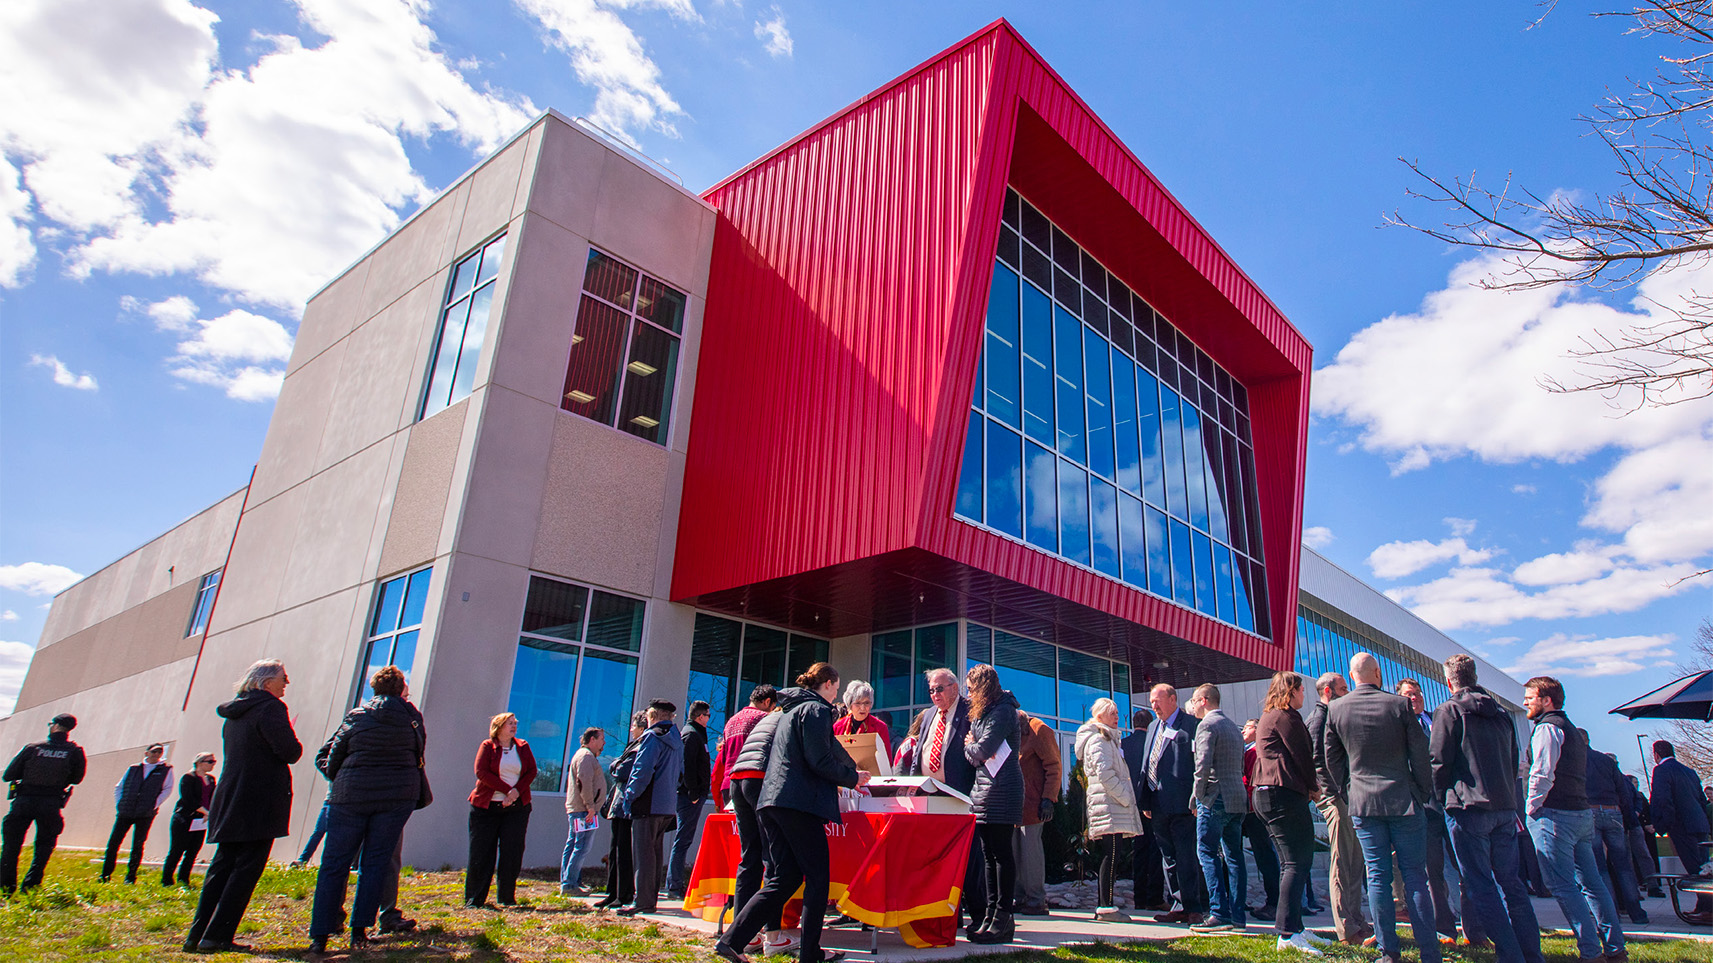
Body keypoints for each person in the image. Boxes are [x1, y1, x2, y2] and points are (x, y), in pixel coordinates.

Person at [714, 663, 869, 963]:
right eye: (836, 690)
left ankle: (732, 940)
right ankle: (811, 953)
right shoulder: (816, 711)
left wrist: (850, 767)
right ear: (827, 684)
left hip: (771, 802)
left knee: (783, 877)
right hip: (799, 804)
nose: (834, 697)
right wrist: (853, 778)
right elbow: (819, 759)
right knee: (817, 878)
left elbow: (823, 751)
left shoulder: (787, 711)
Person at [1324, 653, 1439, 963]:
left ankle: (1389, 952)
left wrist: (1348, 792)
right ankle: (1430, 952)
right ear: (1376, 672)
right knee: (1415, 877)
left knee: (1377, 878)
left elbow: (1331, 760)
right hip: (1403, 800)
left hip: (1364, 803)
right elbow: (1420, 753)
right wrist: (1420, 791)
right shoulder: (1399, 705)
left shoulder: (1335, 708)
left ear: (1352, 675)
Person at [184, 660, 303, 953]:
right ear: (265, 683)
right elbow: (290, 752)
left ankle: (197, 935)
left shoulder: (235, 713)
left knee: (222, 866)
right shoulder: (271, 708)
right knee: (247, 868)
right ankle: (219, 935)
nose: (287, 682)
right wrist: (290, 735)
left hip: (231, 795)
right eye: (282, 678)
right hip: (259, 798)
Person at [1429, 653, 1541, 963]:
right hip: (1504, 807)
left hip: (1468, 808)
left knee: (1481, 885)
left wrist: (1441, 798)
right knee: (1512, 885)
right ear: (1475, 677)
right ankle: (1532, 954)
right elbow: (1513, 758)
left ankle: (1510, 954)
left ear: (1449, 681)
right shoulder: (1502, 714)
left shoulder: (1448, 710)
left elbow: (1438, 761)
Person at [307, 665, 426, 953]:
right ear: (401, 690)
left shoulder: (357, 716)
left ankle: (320, 936)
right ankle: (359, 932)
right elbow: (419, 753)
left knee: (334, 865)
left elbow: (329, 755)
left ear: (374, 689)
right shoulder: (412, 718)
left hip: (350, 797)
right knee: (375, 864)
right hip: (395, 798)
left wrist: (341, 777)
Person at [1522, 676, 1625, 962]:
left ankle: (1590, 952)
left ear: (1546, 699)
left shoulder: (1547, 729)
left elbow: (1541, 774)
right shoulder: (1571, 731)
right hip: (1580, 815)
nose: (1525, 703)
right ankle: (1615, 949)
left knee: (1564, 886)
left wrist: (1531, 808)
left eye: (1530, 697)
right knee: (1592, 884)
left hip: (1555, 816)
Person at [901, 667, 985, 931]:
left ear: (955, 688)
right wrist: (913, 785)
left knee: (968, 860)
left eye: (939, 689)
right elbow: (919, 754)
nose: (934, 694)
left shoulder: (971, 711)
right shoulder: (927, 716)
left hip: (961, 796)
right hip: (930, 796)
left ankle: (980, 916)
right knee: (939, 860)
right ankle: (948, 914)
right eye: (931, 690)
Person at [1252, 672, 1325, 955]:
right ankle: (1286, 934)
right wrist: (1313, 787)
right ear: (1290, 691)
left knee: (1291, 864)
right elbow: (1303, 756)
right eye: (1300, 689)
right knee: (1296, 862)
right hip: (1282, 794)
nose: (1304, 694)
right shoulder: (1286, 716)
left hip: (1269, 795)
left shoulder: (1270, 716)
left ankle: (1296, 928)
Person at [1305, 672, 1370, 945]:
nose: (1348, 692)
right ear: (1329, 692)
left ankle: (1356, 920)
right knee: (1343, 862)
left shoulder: (1333, 716)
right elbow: (1316, 760)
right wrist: (1333, 795)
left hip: (1345, 796)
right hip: (1336, 798)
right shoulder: (1320, 718)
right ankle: (1347, 928)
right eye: (1344, 689)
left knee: (1355, 861)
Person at [725, 693, 793, 956]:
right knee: (772, 861)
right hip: (761, 781)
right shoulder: (780, 719)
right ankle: (772, 935)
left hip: (736, 782)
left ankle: (744, 934)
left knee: (749, 858)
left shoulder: (736, 720)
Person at [961, 664, 1023, 944]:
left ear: (983, 687)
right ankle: (989, 915)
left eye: (971, 689)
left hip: (1003, 790)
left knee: (1001, 855)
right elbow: (980, 754)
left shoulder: (1003, 711)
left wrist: (969, 746)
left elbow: (982, 750)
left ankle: (1003, 918)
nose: (969, 694)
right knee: (988, 857)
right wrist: (974, 749)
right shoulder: (983, 714)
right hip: (984, 790)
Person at [1138, 683, 1206, 925]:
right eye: (1151, 701)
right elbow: (1149, 763)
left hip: (1183, 804)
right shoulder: (1154, 726)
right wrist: (1145, 798)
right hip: (1157, 803)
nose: (1153, 705)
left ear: (1173, 699)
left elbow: (1199, 765)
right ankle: (1177, 904)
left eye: (1158, 700)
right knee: (1168, 858)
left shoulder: (1191, 725)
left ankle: (1194, 906)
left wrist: (1197, 797)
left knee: (1186, 855)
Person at [1395, 679, 1457, 941]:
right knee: (1433, 870)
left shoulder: (1438, 720)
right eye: (1409, 694)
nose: (1415, 698)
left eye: (1417, 693)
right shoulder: (1398, 728)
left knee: (1463, 866)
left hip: (1452, 803)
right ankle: (1443, 928)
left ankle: (1475, 928)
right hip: (1423, 806)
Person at [1, 712, 86, 893]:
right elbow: (77, 779)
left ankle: (6, 886)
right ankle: (31, 885)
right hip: (51, 802)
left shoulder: (33, 748)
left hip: (24, 801)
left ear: (54, 726)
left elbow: (8, 775)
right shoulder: (75, 752)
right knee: (44, 846)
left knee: (11, 844)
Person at [1077, 696, 1143, 923]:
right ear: (1099, 716)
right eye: (1112, 713)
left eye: (1117, 713)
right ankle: (1106, 906)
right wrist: (1125, 798)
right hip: (1109, 806)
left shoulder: (1110, 740)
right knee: (1111, 854)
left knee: (1113, 855)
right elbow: (1105, 774)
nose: (1117, 717)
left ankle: (1106, 905)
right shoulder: (1099, 741)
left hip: (1112, 806)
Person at [1188, 683, 1247, 934]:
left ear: (1203, 700)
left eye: (1193, 701)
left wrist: (1196, 797)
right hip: (1237, 797)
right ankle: (1238, 916)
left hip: (1215, 797)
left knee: (1207, 852)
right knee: (1234, 856)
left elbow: (1202, 766)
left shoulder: (1207, 725)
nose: (1191, 707)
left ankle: (1218, 912)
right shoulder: (1234, 727)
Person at [616, 699, 684, 916]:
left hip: (647, 802)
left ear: (652, 716)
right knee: (655, 853)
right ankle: (650, 898)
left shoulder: (651, 737)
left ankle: (643, 902)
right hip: (666, 805)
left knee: (643, 854)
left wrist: (629, 796)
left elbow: (642, 770)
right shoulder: (677, 739)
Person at [465, 711, 537, 908]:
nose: (514, 726)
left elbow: (532, 771)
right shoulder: (488, 746)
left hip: (516, 808)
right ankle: (475, 898)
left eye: (515, 723)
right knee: (482, 852)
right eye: (509, 723)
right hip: (486, 808)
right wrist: (507, 790)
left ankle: (506, 897)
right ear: (498, 727)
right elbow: (481, 772)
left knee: (512, 851)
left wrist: (515, 793)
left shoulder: (522, 747)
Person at [1584, 742, 1648, 925]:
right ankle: (1637, 912)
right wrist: (1627, 817)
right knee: (1623, 865)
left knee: (1599, 866)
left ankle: (1610, 912)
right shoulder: (1606, 760)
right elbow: (1623, 790)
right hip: (1613, 811)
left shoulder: (1575, 759)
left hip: (1590, 810)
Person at [1649, 739, 1711, 922]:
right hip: (1698, 823)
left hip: (1682, 825)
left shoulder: (1661, 770)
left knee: (1695, 870)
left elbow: (1662, 799)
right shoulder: (1689, 771)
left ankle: (1708, 909)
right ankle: (1703, 906)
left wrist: (1662, 825)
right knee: (1704, 867)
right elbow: (1701, 798)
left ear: (1656, 755)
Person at [594, 710, 649, 911]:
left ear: (642, 728)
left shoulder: (642, 745)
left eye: (634, 725)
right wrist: (617, 765)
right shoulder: (633, 745)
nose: (631, 729)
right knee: (614, 849)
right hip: (619, 805)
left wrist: (616, 764)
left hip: (628, 806)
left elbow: (622, 770)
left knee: (624, 851)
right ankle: (612, 892)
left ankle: (623, 893)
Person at [1013, 708, 1061, 916]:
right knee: (1013, 853)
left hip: (1033, 805)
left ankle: (1036, 900)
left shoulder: (1039, 729)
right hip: (1011, 805)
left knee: (1031, 853)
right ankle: (1020, 897)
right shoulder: (1008, 732)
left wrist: (1049, 798)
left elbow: (1054, 766)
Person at [102, 742, 173, 883]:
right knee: (113, 843)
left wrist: (154, 804)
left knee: (138, 844)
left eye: (159, 752)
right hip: (125, 811)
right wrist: (120, 804)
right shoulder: (134, 768)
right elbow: (119, 786)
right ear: (146, 753)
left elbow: (167, 789)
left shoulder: (165, 770)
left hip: (145, 813)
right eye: (153, 752)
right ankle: (105, 874)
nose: (156, 755)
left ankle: (130, 876)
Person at [1120, 706, 1167, 912]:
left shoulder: (1122, 744)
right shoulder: (1154, 743)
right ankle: (1154, 897)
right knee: (1155, 849)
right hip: (1152, 801)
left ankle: (1139, 897)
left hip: (1131, 802)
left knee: (1138, 850)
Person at [667, 701, 710, 900]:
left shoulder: (696, 734)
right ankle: (674, 886)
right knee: (683, 839)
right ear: (700, 716)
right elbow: (687, 765)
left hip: (693, 794)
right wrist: (693, 791)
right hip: (688, 796)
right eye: (708, 715)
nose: (709, 719)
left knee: (685, 838)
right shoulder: (691, 735)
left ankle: (675, 884)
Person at [1240, 717, 1281, 920]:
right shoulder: (1256, 750)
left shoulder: (1254, 752)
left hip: (1252, 809)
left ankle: (1274, 901)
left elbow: (1249, 780)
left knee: (1264, 854)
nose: (1243, 731)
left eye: (1246, 727)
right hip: (1256, 807)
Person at [562, 727, 608, 896]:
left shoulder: (584, 756)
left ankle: (571, 880)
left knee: (573, 844)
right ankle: (569, 884)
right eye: (601, 739)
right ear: (592, 740)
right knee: (581, 846)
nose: (604, 743)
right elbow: (584, 782)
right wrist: (590, 806)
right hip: (583, 811)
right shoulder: (586, 757)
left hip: (581, 810)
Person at [162, 751, 217, 886]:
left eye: (213, 762)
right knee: (177, 849)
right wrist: (205, 811)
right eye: (209, 762)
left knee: (193, 850)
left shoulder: (210, 779)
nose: (212, 765)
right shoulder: (188, 778)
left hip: (201, 820)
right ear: (199, 762)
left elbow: (213, 797)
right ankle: (167, 879)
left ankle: (184, 879)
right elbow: (188, 799)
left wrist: (209, 812)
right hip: (185, 817)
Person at [832, 681, 892, 754]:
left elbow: (887, 759)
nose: (863, 708)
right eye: (858, 703)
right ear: (850, 704)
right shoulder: (838, 727)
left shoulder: (880, 727)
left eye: (867, 703)